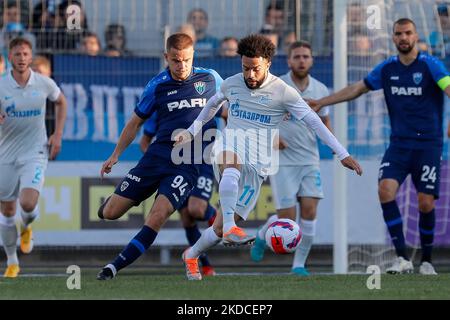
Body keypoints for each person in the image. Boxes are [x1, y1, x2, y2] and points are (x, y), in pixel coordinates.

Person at [174, 34, 362, 281]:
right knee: (231, 161)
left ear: (268, 64)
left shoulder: (283, 93)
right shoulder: (231, 83)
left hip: (258, 165)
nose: (250, 75)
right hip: (230, 147)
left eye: (255, 69)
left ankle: (192, 253)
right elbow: (212, 104)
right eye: (245, 68)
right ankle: (231, 226)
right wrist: (191, 131)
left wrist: (342, 153)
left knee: (216, 229)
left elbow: (314, 122)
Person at [308, 18, 450, 275]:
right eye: (399, 34)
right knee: (385, 191)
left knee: (426, 203)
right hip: (398, 145)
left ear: (416, 36)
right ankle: (403, 258)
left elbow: (447, 87)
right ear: (393, 38)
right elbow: (357, 89)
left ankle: (427, 261)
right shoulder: (387, 69)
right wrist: (321, 101)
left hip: (428, 145)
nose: (403, 37)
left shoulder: (430, 66)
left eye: (408, 33)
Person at [95, 33, 223, 280]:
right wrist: (115, 155)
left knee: (158, 215)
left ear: (193, 56)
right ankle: (120, 199)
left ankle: (112, 268)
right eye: (175, 60)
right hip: (157, 156)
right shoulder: (157, 85)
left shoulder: (210, 78)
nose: (181, 66)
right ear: (167, 57)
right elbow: (135, 123)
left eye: (186, 60)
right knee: (110, 213)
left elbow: (236, 101)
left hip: (188, 163)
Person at [250, 41, 332, 276]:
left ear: (312, 60)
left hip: (309, 160)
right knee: (287, 218)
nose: (301, 60)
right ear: (289, 61)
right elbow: (257, 117)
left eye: (306, 56)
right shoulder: (275, 85)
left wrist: (333, 144)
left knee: (310, 210)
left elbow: (324, 119)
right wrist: (271, 138)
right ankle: (261, 235)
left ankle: (298, 265)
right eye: (296, 56)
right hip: (282, 160)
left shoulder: (320, 89)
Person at [0, 37, 67, 278]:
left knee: (27, 203)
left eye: (25, 54)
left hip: (34, 153)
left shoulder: (43, 83)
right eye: (17, 54)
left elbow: (61, 102)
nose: (21, 59)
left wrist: (57, 135)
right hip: (5, 155)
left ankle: (27, 227)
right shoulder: (1, 86)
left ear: (31, 56)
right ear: (10, 57)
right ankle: (11, 262)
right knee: (7, 211)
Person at [139, 111, 223, 277]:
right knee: (187, 216)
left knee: (197, 209)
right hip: (176, 166)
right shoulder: (161, 108)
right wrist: (157, 161)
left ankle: (220, 218)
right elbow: (144, 142)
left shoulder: (202, 95)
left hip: (202, 161)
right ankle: (205, 266)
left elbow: (226, 111)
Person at [31, 55, 56, 138]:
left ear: (48, 74)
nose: (36, 76)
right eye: (34, 72)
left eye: (40, 72)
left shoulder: (55, 95)